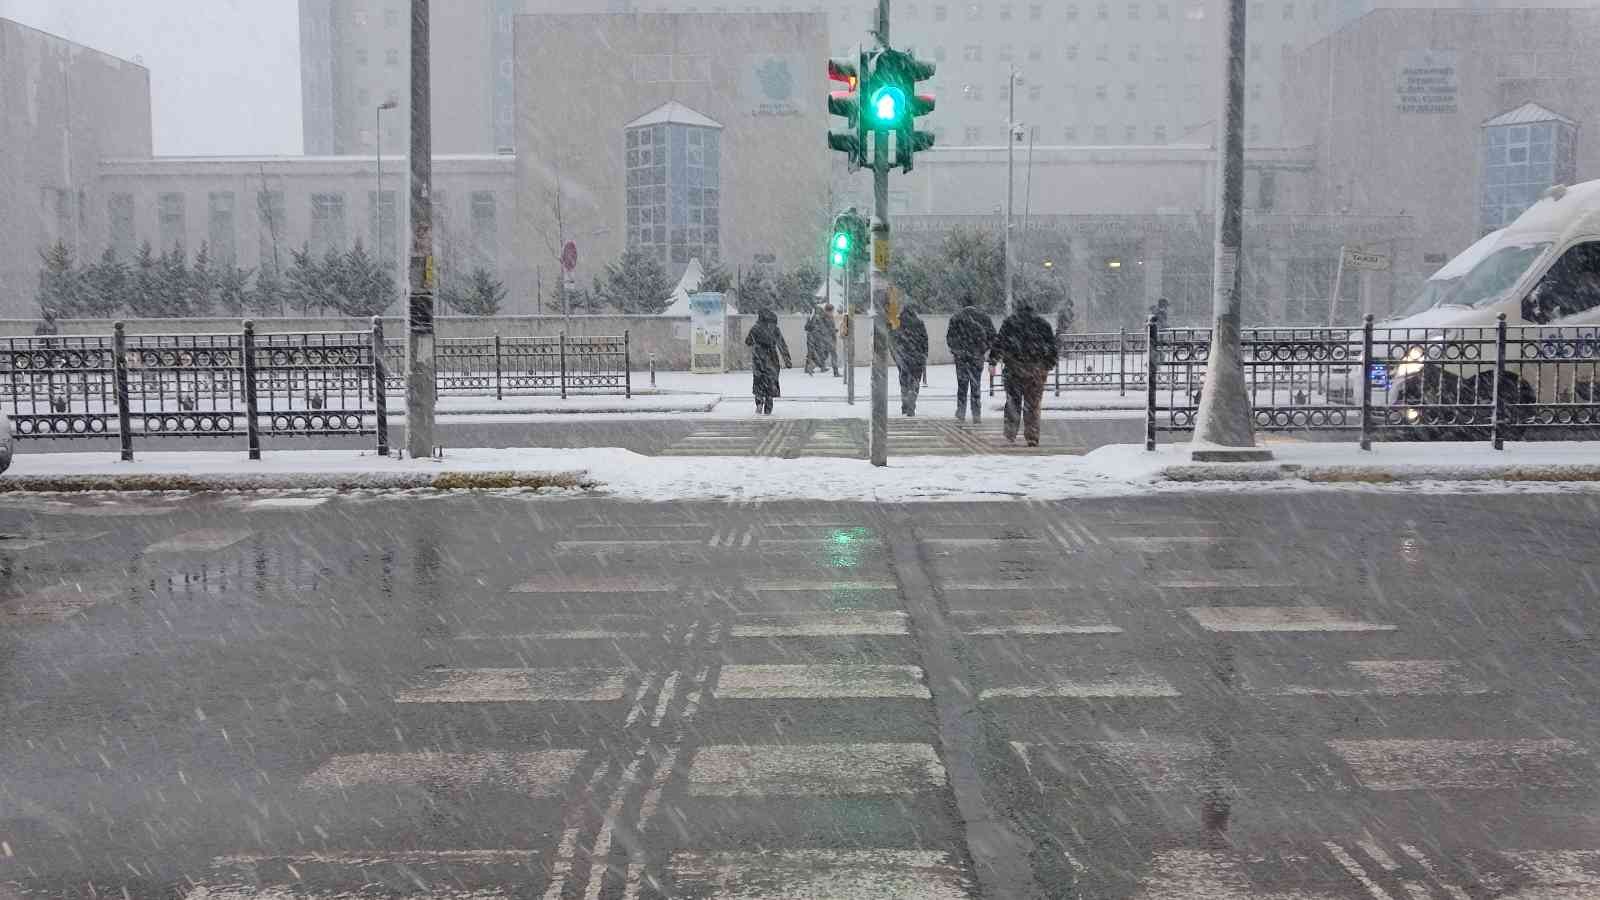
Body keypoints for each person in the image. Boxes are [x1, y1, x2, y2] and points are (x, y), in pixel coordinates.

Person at [990, 301, 1058, 446]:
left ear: (1018, 309)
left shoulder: (1010, 323)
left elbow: (999, 343)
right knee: (1032, 405)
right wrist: (1048, 365)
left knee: (1013, 402)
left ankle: (1010, 434)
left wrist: (993, 360)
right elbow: (1052, 348)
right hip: (1035, 371)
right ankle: (1032, 436)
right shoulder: (1042, 324)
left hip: (1014, 369)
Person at [946, 298, 996, 423]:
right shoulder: (983, 318)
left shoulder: (956, 318)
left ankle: (961, 411)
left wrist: (956, 350)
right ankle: (976, 413)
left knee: (962, 385)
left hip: (961, 357)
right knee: (976, 385)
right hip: (976, 356)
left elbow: (949, 338)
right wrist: (983, 349)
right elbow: (993, 336)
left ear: (962, 304)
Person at [745, 309, 792, 415]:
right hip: (771, 357)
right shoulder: (774, 328)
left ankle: (759, 402)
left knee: (758, 380)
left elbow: (748, 342)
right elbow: (782, 344)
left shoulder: (755, 328)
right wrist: (787, 359)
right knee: (770, 381)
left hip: (758, 357)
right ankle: (768, 407)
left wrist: (755, 341)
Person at [892, 305, 929, 416]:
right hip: (917, 357)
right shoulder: (919, 323)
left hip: (902, 357)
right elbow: (924, 341)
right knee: (915, 381)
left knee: (904, 381)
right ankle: (911, 404)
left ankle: (905, 404)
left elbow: (894, 341)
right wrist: (924, 355)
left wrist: (896, 356)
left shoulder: (898, 323)